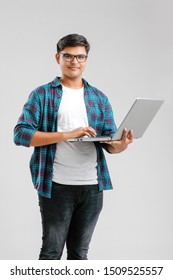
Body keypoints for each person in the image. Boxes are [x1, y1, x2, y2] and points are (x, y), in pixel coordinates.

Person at [14, 34, 133, 260]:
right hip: (56, 185)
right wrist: (69, 134)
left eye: (80, 56)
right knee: (51, 252)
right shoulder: (42, 94)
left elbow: (110, 145)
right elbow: (21, 134)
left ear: (87, 60)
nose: (75, 61)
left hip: (92, 188)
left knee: (79, 254)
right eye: (69, 56)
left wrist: (121, 145)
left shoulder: (99, 97)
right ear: (58, 57)